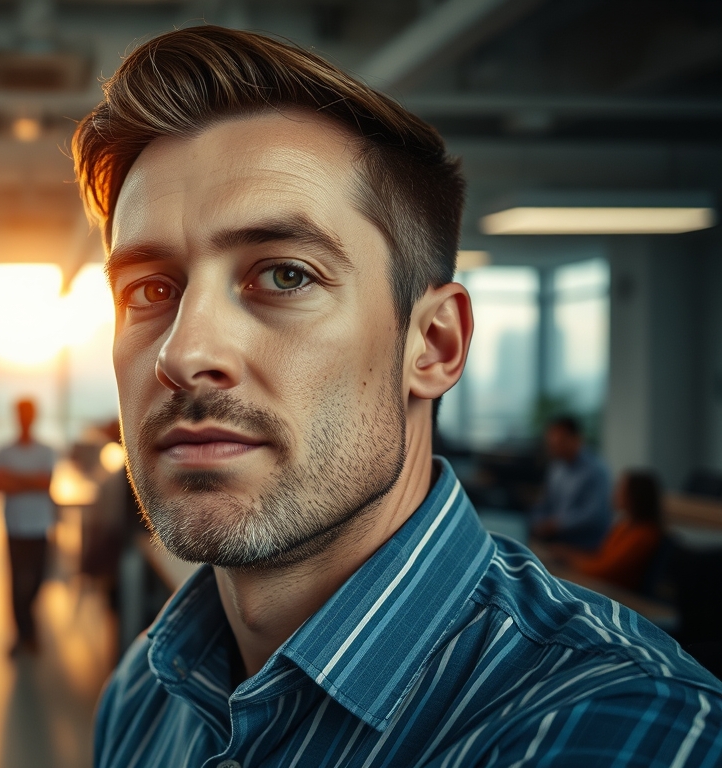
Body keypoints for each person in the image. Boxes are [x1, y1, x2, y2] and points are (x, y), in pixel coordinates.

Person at [73, 27, 721, 767]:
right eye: (151, 289)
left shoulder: (615, 729)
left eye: (285, 275)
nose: (184, 354)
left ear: (435, 344)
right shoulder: (145, 694)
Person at [0, 398, 58, 653]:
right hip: (15, 524)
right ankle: (24, 633)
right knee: (16, 580)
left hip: (40, 524)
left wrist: (15, 479)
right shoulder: (4, 450)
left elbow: (46, 484)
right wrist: (31, 480)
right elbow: (0, 485)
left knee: (38, 578)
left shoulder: (46, 450)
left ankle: (27, 622)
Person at [548, 470, 665, 592]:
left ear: (635, 496)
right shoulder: (623, 526)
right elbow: (600, 559)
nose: (615, 493)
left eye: (621, 489)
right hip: (605, 585)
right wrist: (567, 554)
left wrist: (569, 558)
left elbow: (603, 571)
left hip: (618, 594)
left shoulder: (644, 535)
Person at [530, 415, 613, 551]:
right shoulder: (556, 468)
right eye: (551, 443)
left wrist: (557, 525)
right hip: (556, 541)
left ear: (576, 439)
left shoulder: (596, 470)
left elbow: (595, 514)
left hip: (585, 547)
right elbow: (545, 504)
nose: (554, 447)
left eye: (559, 442)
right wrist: (538, 521)